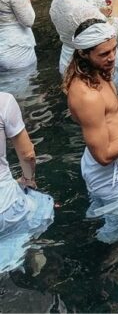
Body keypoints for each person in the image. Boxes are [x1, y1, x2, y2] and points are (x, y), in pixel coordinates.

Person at [62, 19, 118, 242]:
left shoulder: (98, 72)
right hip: (109, 174)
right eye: (104, 53)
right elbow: (104, 155)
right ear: (84, 54)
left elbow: (113, 107)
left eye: (114, 49)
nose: (112, 57)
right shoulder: (86, 95)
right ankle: (110, 262)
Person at [0, 91, 53, 272]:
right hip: (6, 206)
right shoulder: (4, 101)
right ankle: (33, 253)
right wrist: (28, 180)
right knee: (35, 208)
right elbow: (28, 154)